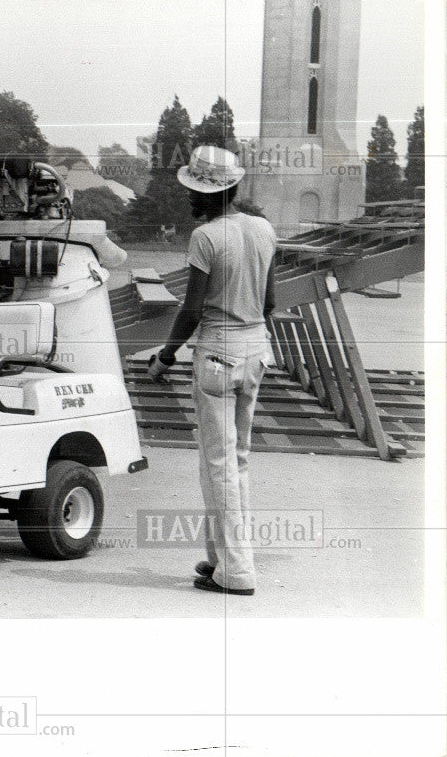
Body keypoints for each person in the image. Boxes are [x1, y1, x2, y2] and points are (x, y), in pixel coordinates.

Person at [147, 146, 277, 596]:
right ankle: (222, 559)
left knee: (217, 464)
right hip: (257, 351)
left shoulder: (205, 237)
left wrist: (164, 356)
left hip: (217, 357)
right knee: (237, 460)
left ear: (209, 194)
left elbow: (193, 309)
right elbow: (271, 302)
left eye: (193, 193)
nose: (189, 200)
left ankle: (238, 570)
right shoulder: (263, 229)